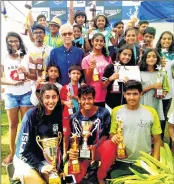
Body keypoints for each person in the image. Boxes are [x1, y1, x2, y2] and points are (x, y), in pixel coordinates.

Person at [110, 80, 162, 178]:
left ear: (141, 94)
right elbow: (112, 134)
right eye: (128, 94)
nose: (132, 97)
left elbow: (157, 140)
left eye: (135, 94)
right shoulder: (116, 111)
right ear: (124, 94)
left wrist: (155, 164)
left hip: (144, 161)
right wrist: (114, 137)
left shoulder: (151, 112)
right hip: (121, 160)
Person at [13, 83, 63, 184]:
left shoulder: (57, 114)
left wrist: (60, 168)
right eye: (47, 97)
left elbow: (57, 145)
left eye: (54, 97)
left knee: (55, 182)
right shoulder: (31, 115)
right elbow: (23, 151)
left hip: (45, 160)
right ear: (41, 98)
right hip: (25, 159)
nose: (51, 101)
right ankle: (19, 175)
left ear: (58, 98)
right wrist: (41, 167)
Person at [67, 85, 117, 184]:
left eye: (89, 98)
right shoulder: (74, 118)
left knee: (110, 145)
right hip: (83, 152)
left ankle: (101, 175)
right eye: (83, 99)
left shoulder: (103, 112)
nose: (87, 102)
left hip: (98, 149)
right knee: (73, 177)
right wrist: (75, 153)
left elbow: (105, 134)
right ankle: (82, 174)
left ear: (94, 99)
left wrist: (95, 146)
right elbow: (74, 140)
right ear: (79, 100)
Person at [1, 32, 35, 166]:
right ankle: (12, 152)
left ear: (20, 42)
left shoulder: (27, 57)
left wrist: (26, 73)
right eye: (10, 41)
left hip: (26, 93)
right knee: (13, 125)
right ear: (7, 43)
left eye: (16, 41)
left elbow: (34, 76)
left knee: (26, 124)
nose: (13, 43)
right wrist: (12, 83)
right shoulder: (4, 58)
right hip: (11, 95)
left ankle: (27, 151)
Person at [139, 49, 170, 139]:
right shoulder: (140, 73)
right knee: (143, 123)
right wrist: (152, 86)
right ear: (144, 59)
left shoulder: (161, 73)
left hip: (156, 102)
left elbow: (166, 88)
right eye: (148, 57)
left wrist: (162, 94)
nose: (151, 59)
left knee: (154, 124)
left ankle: (154, 144)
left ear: (157, 59)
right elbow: (138, 91)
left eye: (154, 56)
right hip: (143, 102)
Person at [81, 33, 112, 107]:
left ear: (104, 43)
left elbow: (110, 77)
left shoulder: (108, 58)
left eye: (101, 41)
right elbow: (87, 81)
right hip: (93, 95)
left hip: (106, 94)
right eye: (96, 40)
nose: (99, 43)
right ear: (92, 42)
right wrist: (91, 68)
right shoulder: (86, 59)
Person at [102, 44, 136, 109]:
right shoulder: (110, 67)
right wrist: (110, 79)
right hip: (111, 105)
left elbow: (136, 89)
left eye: (129, 55)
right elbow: (103, 86)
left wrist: (130, 83)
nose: (127, 57)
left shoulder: (133, 69)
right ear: (119, 54)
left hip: (127, 105)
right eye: (124, 54)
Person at [60, 65, 82, 159]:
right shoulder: (65, 88)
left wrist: (74, 97)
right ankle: (65, 152)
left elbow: (83, 100)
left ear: (80, 75)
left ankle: (76, 151)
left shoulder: (82, 87)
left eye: (78, 73)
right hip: (67, 115)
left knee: (78, 133)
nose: (76, 75)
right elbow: (60, 100)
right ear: (69, 75)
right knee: (66, 134)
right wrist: (65, 102)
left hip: (80, 114)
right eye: (73, 73)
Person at [156, 31, 174, 126]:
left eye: (169, 39)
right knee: (154, 114)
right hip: (154, 87)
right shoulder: (155, 52)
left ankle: (161, 138)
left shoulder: (173, 55)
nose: (166, 41)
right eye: (164, 38)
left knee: (163, 115)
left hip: (168, 90)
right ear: (160, 40)